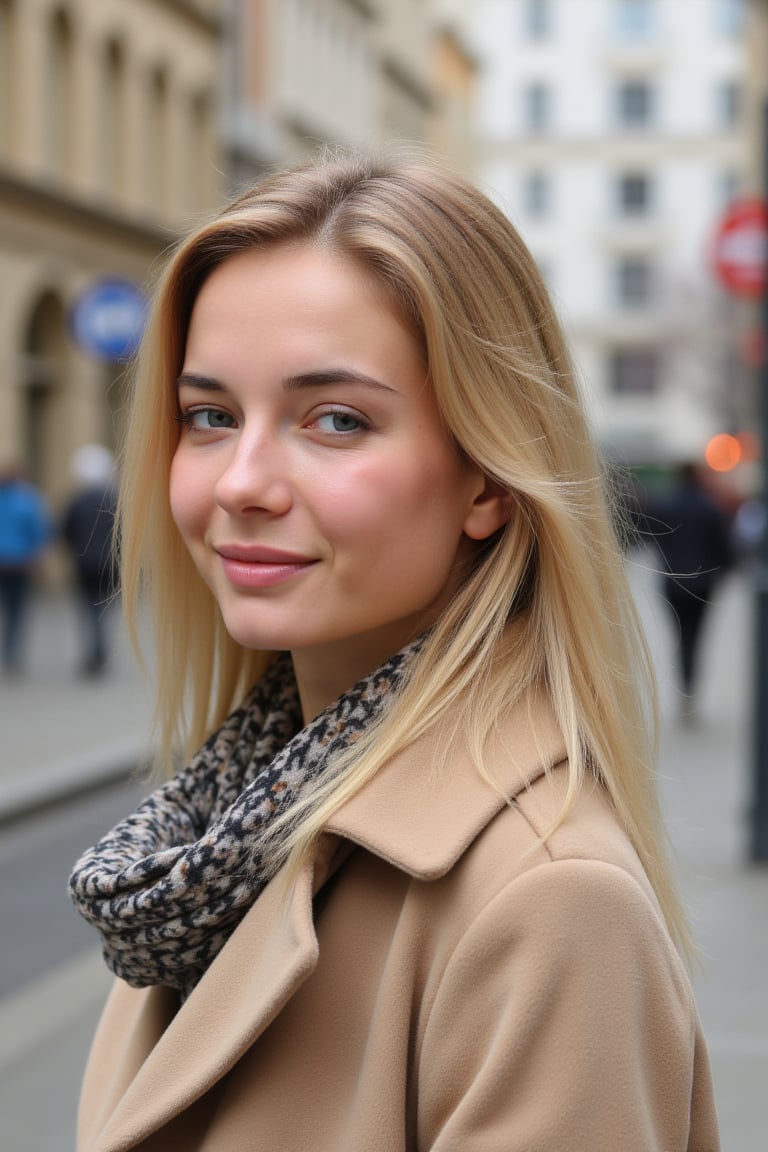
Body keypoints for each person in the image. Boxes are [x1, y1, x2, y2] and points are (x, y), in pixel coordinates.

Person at [69, 153, 720, 1151]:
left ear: (488, 481)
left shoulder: (547, 905)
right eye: (210, 416)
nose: (242, 480)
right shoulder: (224, 833)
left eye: (336, 420)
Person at [648, 461, 733, 721]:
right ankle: (689, 689)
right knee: (696, 637)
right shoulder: (709, 507)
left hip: (672, 583)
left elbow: (653, 538)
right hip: (703, 584)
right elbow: (723, 548)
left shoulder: (666, 505)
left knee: (680, 635)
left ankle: (684, 690)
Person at [62, 444, 119, 676]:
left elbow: (66, 531)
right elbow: (125, 533)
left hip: (84, 564)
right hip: (110, 563)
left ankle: (94, 651)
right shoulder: (114, 500)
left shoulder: (77, 501)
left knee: (88, 608)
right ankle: (101, 649)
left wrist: (76, 550)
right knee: (105, 608)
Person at [0, 459, 52, 674]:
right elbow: (40, 531)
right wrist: (37, 560)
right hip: (20, 564)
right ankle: (12, 654)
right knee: (16, 611)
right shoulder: (28, 499)